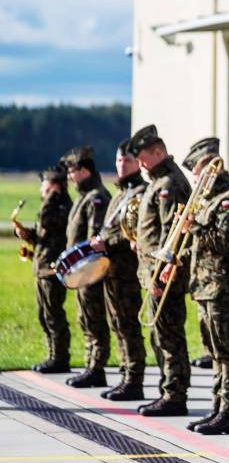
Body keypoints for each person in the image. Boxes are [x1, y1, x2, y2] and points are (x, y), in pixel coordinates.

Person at [174, 138, 229, 434]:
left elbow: (221, 242)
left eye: (197, 171)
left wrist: (191, 226)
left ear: (210, 168)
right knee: (214, 351)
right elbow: (202, 248)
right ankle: (218, 407)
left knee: (226, 351)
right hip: (206, 287)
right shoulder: (209, 201)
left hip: (224, 288)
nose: (194, 178)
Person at [129, 124, 193, 416]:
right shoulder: (158, 181)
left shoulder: (169, 183)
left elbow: (172, 235)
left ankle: (174, 395)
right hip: (153, 273)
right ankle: (168, 391)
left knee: (168, 335)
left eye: (143, 157)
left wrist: (159, 273)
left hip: (164, 275)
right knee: (161, 334)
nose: (140, 163)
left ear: (158, 152)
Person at [91, 139, 148, 401]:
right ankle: (125, 375)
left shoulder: (140, 192)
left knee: (128, 326)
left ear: (137, 162)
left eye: (127, 160)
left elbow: (137, 234)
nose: (121, 164)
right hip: (112, 269)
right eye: (118, 160)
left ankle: (134, 380)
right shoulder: (120, 193)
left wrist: (109, 243)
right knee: (117, 324)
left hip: (127, 270)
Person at [61, 146, 112, 388]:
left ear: (85, 171)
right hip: (80, 271)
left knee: (94, 320)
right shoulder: (84, 196)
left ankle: (96, 368)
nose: (69, 176)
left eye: (72, 171)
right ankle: (90, 365)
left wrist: (84, 270)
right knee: (86, 319)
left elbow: (93, 241)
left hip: (90, 271)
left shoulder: (96, 198)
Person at [15, 166, 72, 373]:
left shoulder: (62, 206)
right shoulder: (54, 205)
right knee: (44, 314)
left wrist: (51, 197)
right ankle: (52, 354)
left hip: (53, 269)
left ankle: (60, 358)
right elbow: (44, 234)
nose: (41, 190)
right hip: (42, 266)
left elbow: (48, 221)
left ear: (55, 186)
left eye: (45, 186)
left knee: (53, 314)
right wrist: (27, 234)